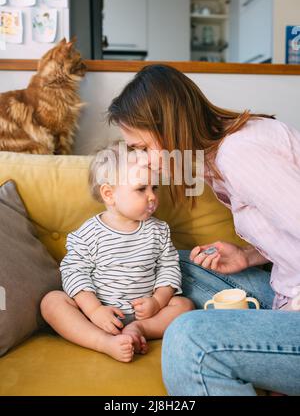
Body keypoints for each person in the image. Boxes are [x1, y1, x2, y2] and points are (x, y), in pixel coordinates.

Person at [107, 64, 300, 395]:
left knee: (189, 338)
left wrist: (287, 315)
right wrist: (248, 256)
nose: (144, 161)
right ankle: (105, 318)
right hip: (287, 286)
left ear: (169, 126)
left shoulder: (240, 154)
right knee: (175, 264)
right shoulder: (219, 155)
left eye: (141, 147)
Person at [40, 143, 194, 363]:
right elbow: (74, 271)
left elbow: (169, 269)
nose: (152, 197)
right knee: (52, 302)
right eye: (141, 189)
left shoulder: (158, 230)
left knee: (184, 306)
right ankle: (103, 341)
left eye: (154, 188)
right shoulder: (89, 233)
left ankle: (139, 330)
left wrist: (158, 302)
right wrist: (94, 310)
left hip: (145, 313)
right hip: (99, 314)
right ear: (109, 194)